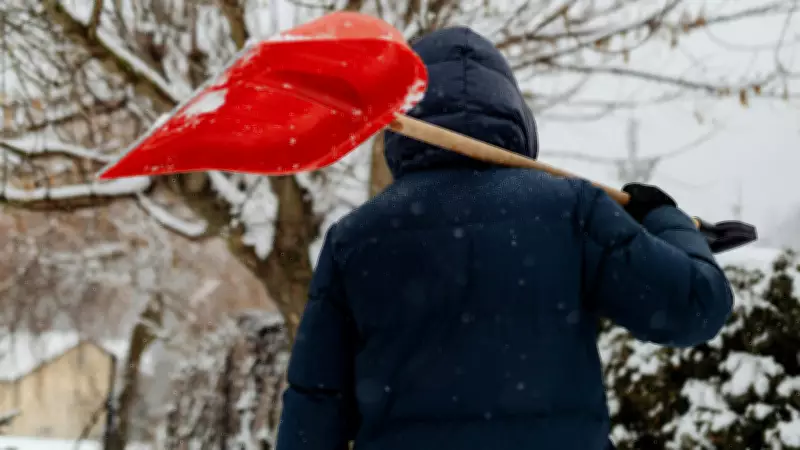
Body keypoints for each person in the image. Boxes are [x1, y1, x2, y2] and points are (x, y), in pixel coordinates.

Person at [275, 26, 733, 450]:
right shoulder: (572, 210)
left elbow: (314, 408)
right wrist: (663, 218)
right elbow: (695, 306)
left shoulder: (355, 239)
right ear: (514, 113)